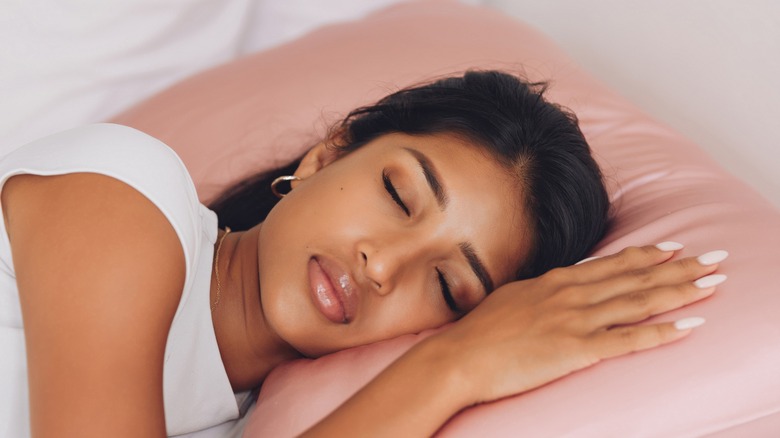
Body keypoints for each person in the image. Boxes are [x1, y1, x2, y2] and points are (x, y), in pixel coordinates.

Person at [0, 70, 725, 437]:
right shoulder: (128, 194)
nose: (384, 266)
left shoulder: (253, 418)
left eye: (447, 288)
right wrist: (452, 367)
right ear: (326, 157)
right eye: (400, 195)